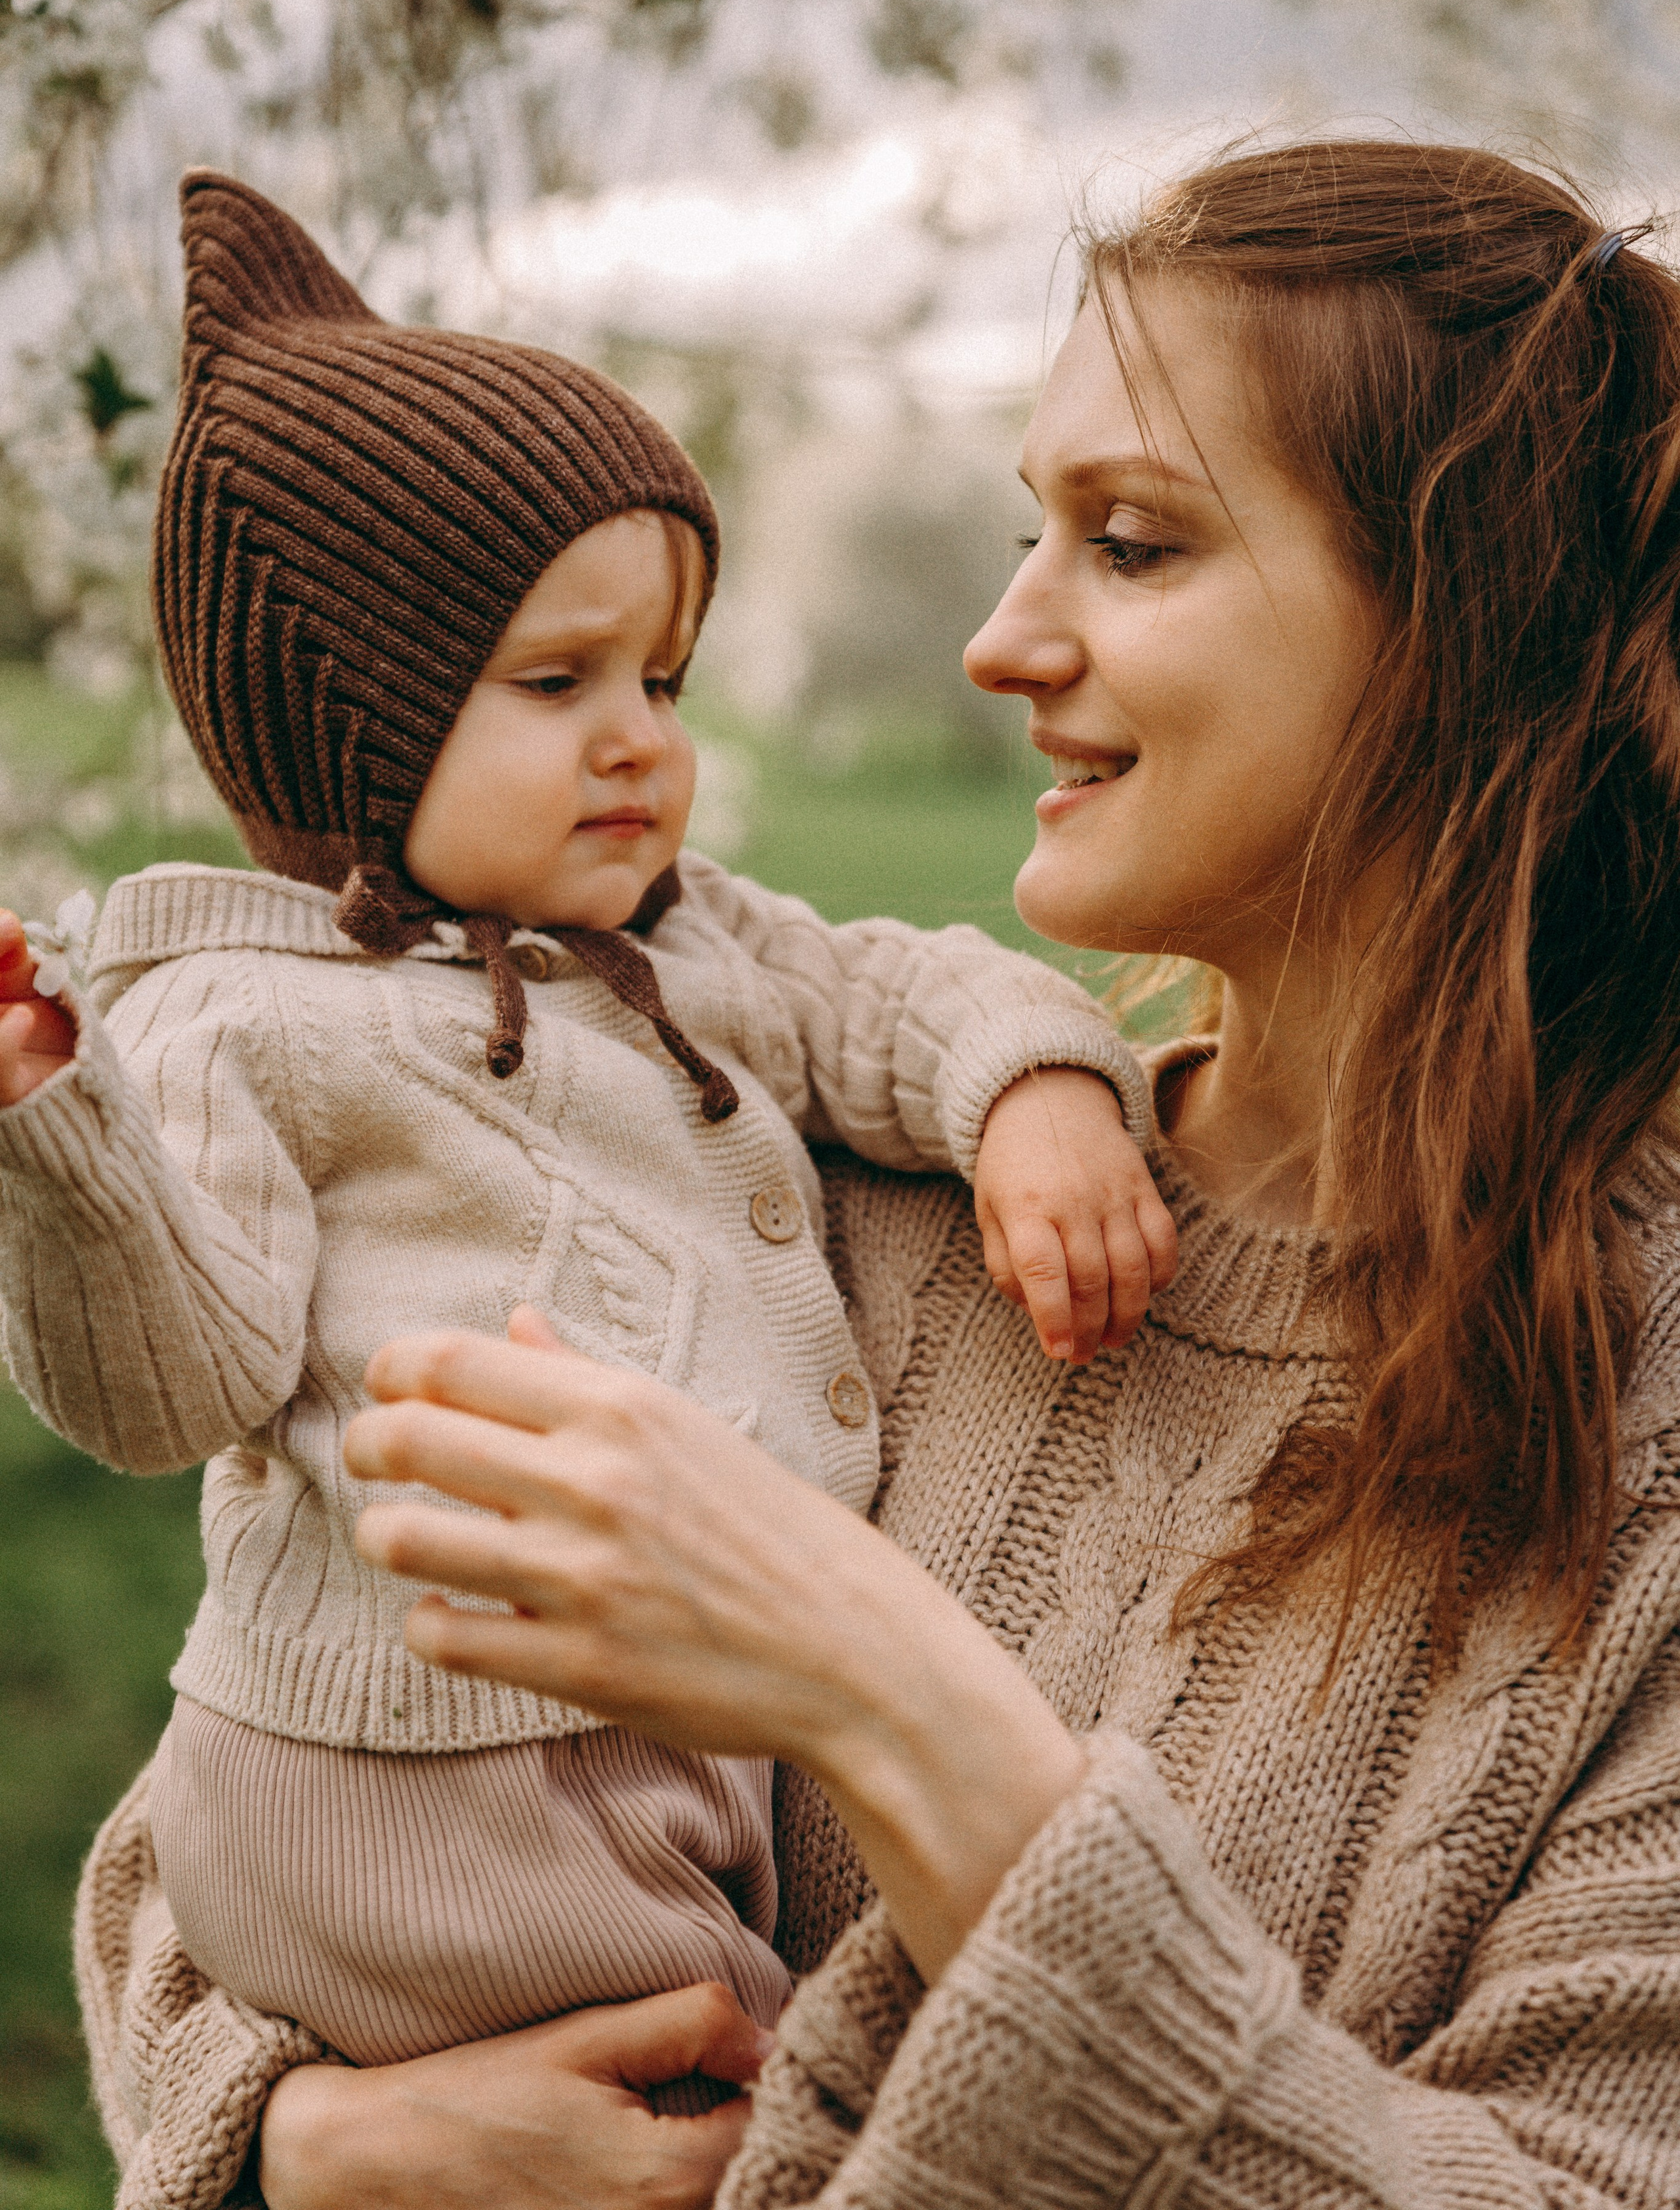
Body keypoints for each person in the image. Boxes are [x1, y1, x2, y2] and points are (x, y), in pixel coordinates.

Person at [69, 137, 1680, 2210]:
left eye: (1136, 545)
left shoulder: (1649, 1448)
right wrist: (310, 2148)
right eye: (1035, 529)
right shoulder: (800, 1185)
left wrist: (895, 1701)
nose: (1002, 642)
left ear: (1468, 630)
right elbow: (241, 1813)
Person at [0, 177, 1171, 2100]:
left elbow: (894, 994)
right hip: (416, 1770)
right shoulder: (241, 1015)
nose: (639, 740)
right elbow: (167, 1384)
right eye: (557, 685)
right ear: (346, 733)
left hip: (654, 1756)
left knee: (727, 2080)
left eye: (664, 680)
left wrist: (1035, 1091)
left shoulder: (686, 942)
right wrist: (61, 1133)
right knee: (767, 2092)